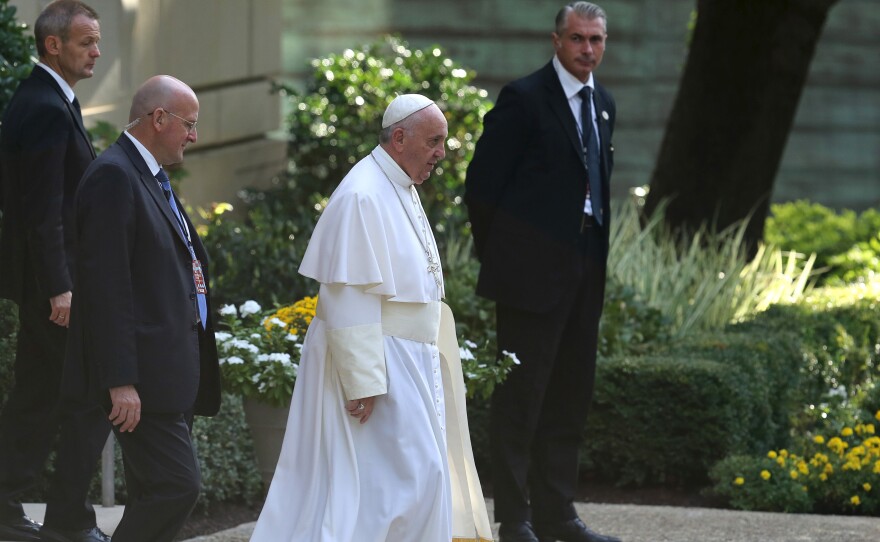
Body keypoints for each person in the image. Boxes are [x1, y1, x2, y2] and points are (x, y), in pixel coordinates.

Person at [250, 94, 491, 542]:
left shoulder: (397, 182)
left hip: (407, 358)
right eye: (434, 141)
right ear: (399, 138)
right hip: (380, 362)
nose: (442, 153)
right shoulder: (362, 193)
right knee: (384, 490)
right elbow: (347, 295)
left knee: (412, 482)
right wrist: (362, 381)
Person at [464, 3, 621, 542]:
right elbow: (482, 188)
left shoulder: (604, 104)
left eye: (596, 40)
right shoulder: (524, 99)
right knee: (521, 400)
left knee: (570, 396)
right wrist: (508, 260)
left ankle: (558, 514)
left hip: (585, 272)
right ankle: (516, 518)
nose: (587, 50)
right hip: (530, 280)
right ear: (556, 41)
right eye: (577, 39)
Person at [61, 75, 221, 542]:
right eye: (189, 124)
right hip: (141, 380)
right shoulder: (114, 175)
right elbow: (106, 290)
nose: (194, 135)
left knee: (157, 489)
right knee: (176, 487)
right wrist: (120, 381)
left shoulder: (147, 174)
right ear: (158, 119)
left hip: (169, 371)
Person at [0, 2, 111, 541]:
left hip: (46, 285)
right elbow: (43, 213)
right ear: (54, 46)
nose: (96, 51)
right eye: (86, 42)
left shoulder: (44, 99)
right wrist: (61, 287)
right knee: (89, 399)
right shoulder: (44, 106)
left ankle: (5, 504)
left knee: (37, 398)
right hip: (55, 290)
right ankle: (69, 520)